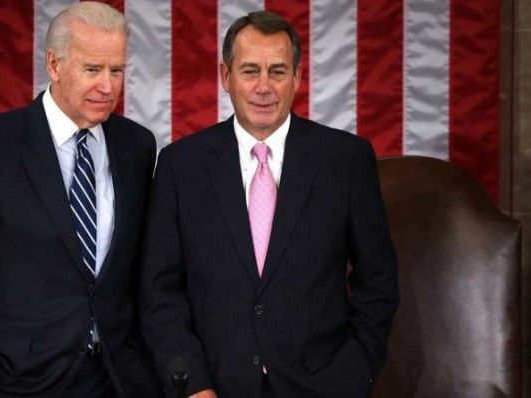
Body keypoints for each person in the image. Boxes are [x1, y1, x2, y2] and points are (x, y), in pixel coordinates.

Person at [140, 10, 399, 398]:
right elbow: (159, 292)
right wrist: (192, 385)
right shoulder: (181, 166)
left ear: (297, 77)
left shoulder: (345, 160)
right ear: (226, 76)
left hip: (320, 386)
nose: (264, 87)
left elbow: (378, 282)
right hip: (213, 386)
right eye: (249, 71)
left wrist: (350, 375)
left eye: (277, 71)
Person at [0, 3, 160, 397]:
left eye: (116, 70)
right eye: (92, 70)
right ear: (54, 65)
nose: (108, 86)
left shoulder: (137, 146)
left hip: (118, 380)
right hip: (18, 381)